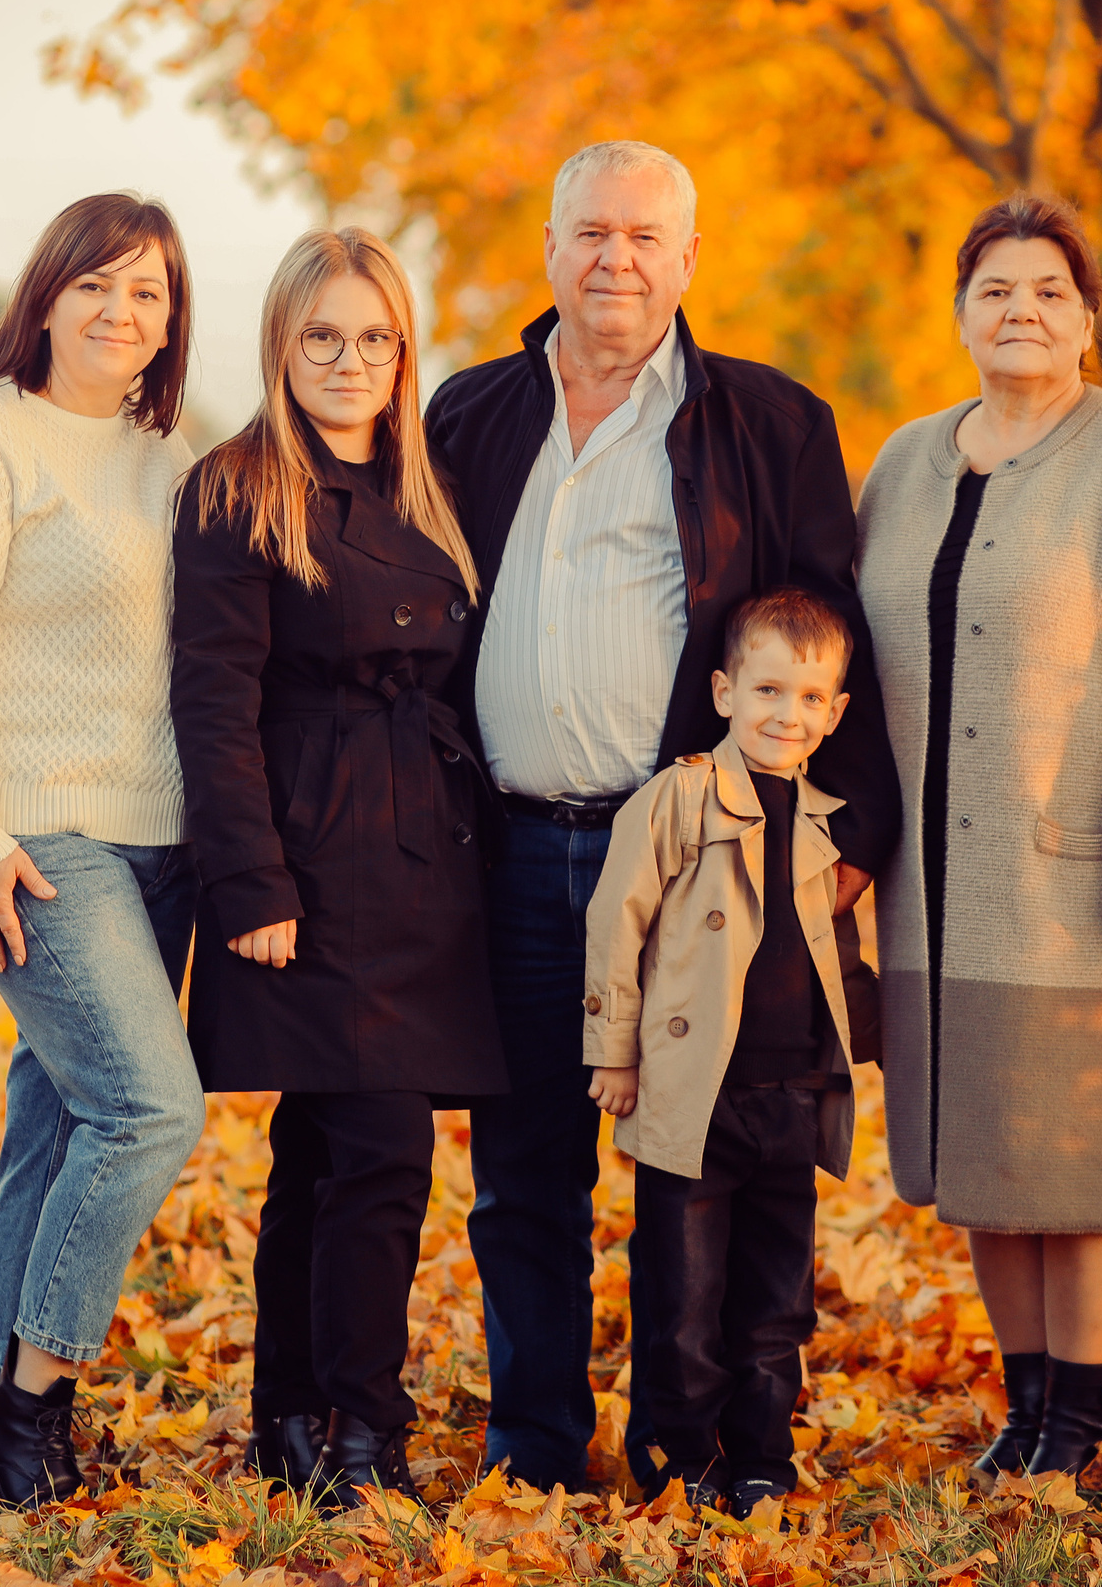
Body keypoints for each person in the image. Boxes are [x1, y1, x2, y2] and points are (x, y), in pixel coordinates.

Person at [424, 139, 900, 1490]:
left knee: (711, 1163)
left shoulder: (770, 422)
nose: (615, 259)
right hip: (511, 850)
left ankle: (711, 1442)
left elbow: (835, 630)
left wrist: (850, 838)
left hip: (707, 871)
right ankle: (536, 1440)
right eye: (591, 233)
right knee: (525, 1169)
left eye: (644, 237)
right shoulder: (468, 413)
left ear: (690, 260)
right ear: (552, 250)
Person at [854, 191, 1102, 1478]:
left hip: (1083, 877)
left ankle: (1076, 1419)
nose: (1022, 311)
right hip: (933, 883)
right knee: (981, 1147)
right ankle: (1022, 1409)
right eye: (996, 290)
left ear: (1086, 320)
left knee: (1084, 1157)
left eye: (1049, 291)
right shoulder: (903, 460)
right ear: (961, 312)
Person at [171, 226, 506, 1507]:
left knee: (321, 1148)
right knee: (378, 1150)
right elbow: (211, 700)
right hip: (305, 855)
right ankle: (363, 1431)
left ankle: (289, 1418)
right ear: (280, 345)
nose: (350, 359)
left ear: (404, 349)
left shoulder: (429, 484)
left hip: (427, 856)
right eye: (323, 335)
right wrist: (248, 881)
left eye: (374, 336)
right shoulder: (235, 485)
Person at [0, 193, 204, 1507]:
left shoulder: (176, 449)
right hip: (34, 838)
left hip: (163, 840)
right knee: (149, 1108)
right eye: (99, 285)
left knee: (61, 1114)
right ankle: (29, 1407)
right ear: (49, 292)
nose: (121, 313)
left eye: (149, 294)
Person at [582, 588, 881, 1517]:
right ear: (723, 692)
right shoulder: (679, 798)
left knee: (775, 1296)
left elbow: (841, 956)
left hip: (791, 1094)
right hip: (692, 1095)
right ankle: (678, 1456)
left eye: (807, 698)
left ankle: (760, 1453)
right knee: (683, 1293)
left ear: (833, 714)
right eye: (766, 690)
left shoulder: (832, 819)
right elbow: (614, 921)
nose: (784, 715)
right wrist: (614, 1050)